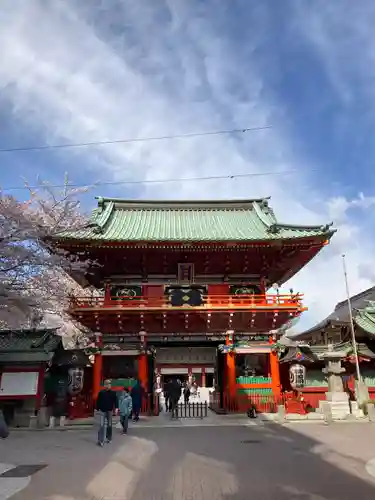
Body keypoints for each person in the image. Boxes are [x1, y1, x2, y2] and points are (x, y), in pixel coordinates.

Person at [96, 379, 117, 447]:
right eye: (107, 384)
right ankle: (100, 440)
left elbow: (115, 401)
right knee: (101, 425)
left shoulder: (113, 393)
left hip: (109, 411)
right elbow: (98, 401)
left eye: (109, 384)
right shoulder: (101, 393)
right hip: (102, 410)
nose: (108, 385)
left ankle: (109, 438)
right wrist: (97, 409)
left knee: (109, 425)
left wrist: (116, 408)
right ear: (104, 385)